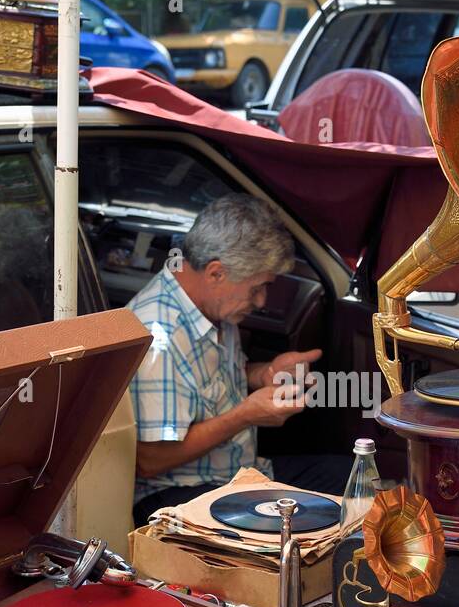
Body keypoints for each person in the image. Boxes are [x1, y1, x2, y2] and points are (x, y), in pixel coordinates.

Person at [127, 194, 352, 527]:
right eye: (257, 288)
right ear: (216, 272)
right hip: (177, 495)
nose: (261, 301)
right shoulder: (158, 338)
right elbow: (149, 459)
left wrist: (263, 374)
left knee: (357, 480)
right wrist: (245, 415)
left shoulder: (213, 307)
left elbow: (205, 381)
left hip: (240, 475)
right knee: (313, 525)